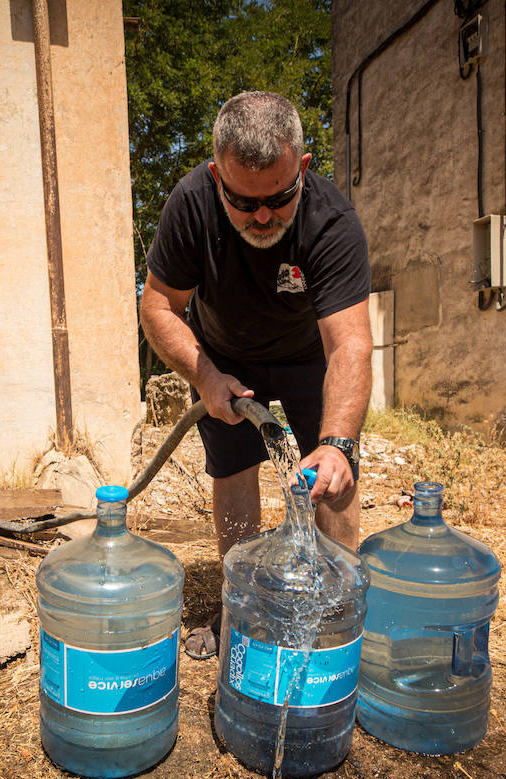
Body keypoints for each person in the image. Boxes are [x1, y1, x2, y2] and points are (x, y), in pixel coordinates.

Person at [139, 91, 373, 659]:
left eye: (280, 196)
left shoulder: (332, 220)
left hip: (306, 356)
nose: (264, 215)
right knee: (235, 469)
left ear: (304, 168)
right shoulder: (191, 205)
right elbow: (158, 305)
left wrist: (338, 443)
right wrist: (206, 377)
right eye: (244, 202)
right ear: (218, 175)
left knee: (333, 479)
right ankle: (238, 609)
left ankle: (338, 619)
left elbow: (350, 344)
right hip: (223, 359)